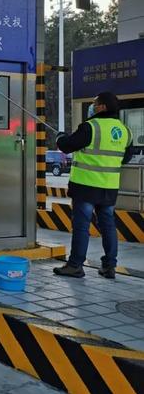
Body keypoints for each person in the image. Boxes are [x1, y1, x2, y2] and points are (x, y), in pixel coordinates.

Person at [53, 92, 133, 279]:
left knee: (81, 227)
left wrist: (60, 137)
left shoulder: (90, 127)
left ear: (103, 107)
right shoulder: (125, 131)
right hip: (109, 188)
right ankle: (109, 267)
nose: (93, 106)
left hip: (86, 187)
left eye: (95, 104)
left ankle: (75, 265)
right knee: (108, 226)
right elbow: (126, 157)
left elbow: (67, 145)